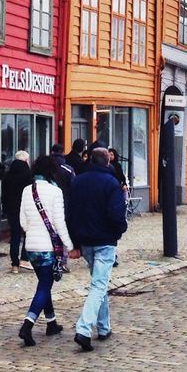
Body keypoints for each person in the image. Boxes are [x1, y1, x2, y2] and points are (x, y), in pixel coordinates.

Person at [66, 148, 128, 352]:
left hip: (85, 241)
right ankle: (83, 329)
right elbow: (116, 214)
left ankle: (104, 327)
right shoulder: (111, 183)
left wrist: (75, 241)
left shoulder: (77, 181)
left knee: (98, 282)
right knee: (99, 285)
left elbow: (71, 213)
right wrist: (120, 230)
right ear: (107, 162)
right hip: (105, 240)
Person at [17, 155, 75, 346]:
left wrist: (33, 232)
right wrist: (69, 244)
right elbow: (60, 223)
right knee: (44, 285)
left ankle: (51, 323)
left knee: (44, 283)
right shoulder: (55, 192)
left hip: (31, 247)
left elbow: (22, 222)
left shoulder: (27, 190)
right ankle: (28, 323)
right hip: (48, 248)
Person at [2, 150, 32, 273]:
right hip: (26, 209)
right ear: (26, 160)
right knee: (27, 234)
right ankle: (24, 258)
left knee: (14, 236)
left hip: (12, 209)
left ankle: (14, 264)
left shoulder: (8, 174)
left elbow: (4, 194)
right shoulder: (29, 174)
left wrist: (5, 208)